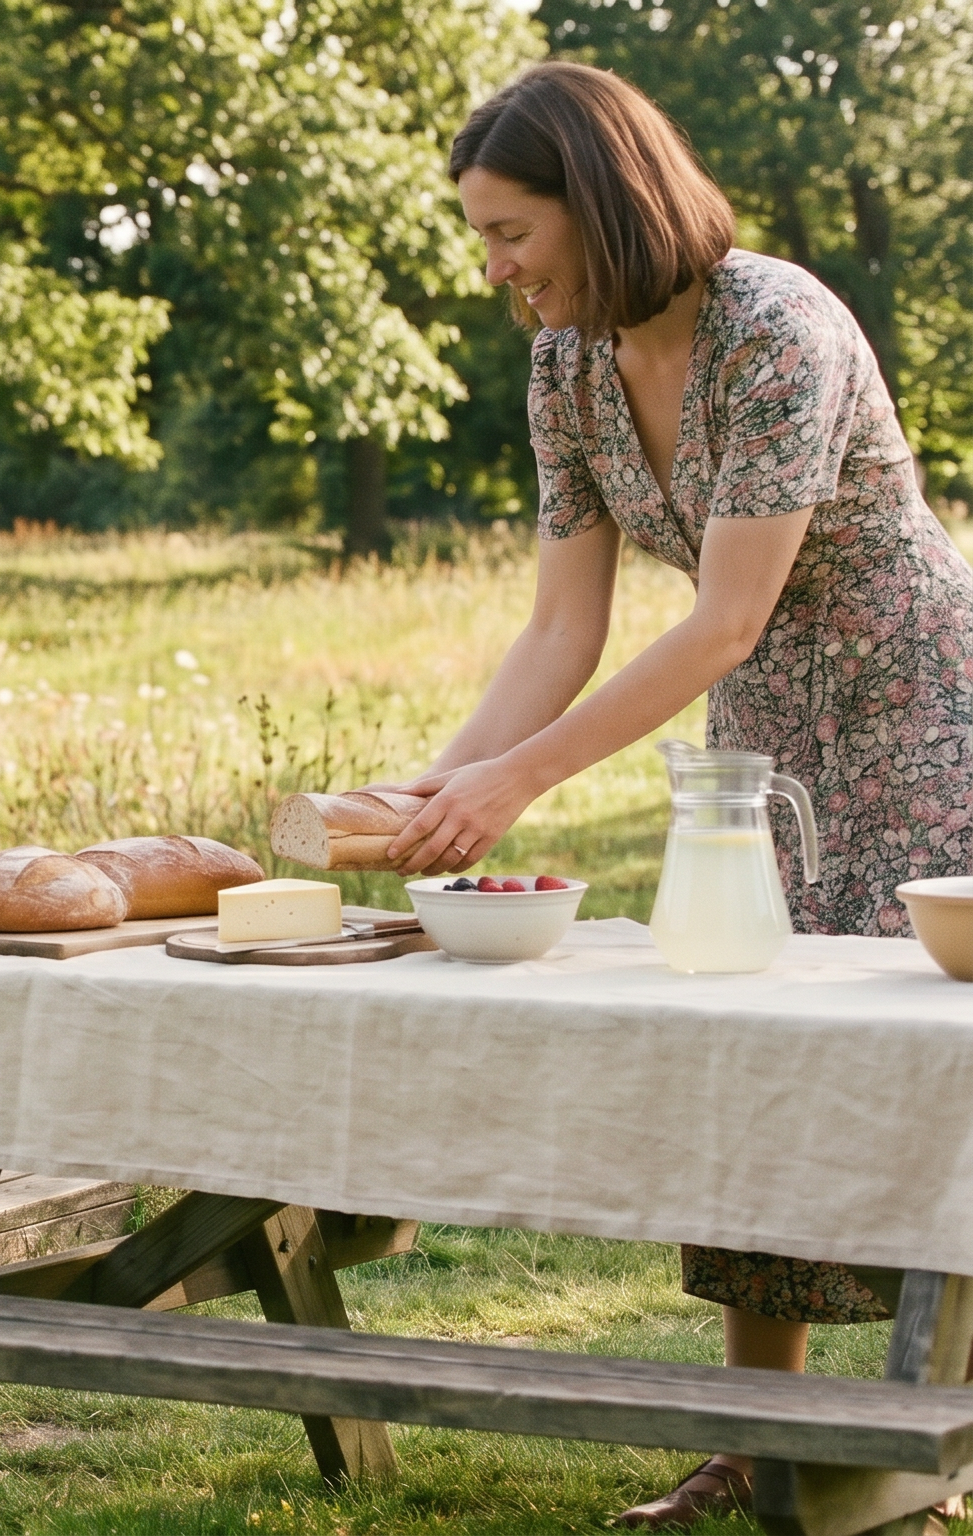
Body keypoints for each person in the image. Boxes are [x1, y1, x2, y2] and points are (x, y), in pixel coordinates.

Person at [393, 62, 973, 1529]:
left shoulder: (778, 327)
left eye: (513, 231)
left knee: (927, 1080)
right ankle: (753, 1436)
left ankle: (931, 1440)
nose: (496, 267)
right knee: (755, 1065)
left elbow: (722, 616)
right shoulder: (566, 365)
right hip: (765, 742)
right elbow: (558, 630)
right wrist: (445, 785)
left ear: (601, 202)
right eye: (483, 235)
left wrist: (522, 783)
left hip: (923, 712)